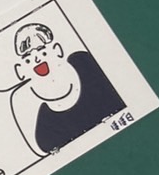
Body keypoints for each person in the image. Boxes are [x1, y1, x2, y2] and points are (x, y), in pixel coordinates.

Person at [9, 22, 126, 157]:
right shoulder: (34, 108)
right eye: (27, 58)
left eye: (42, 50)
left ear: (57, 50)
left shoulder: (83, 62)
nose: (37, 58)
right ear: (20, 70)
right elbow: (44, 148)